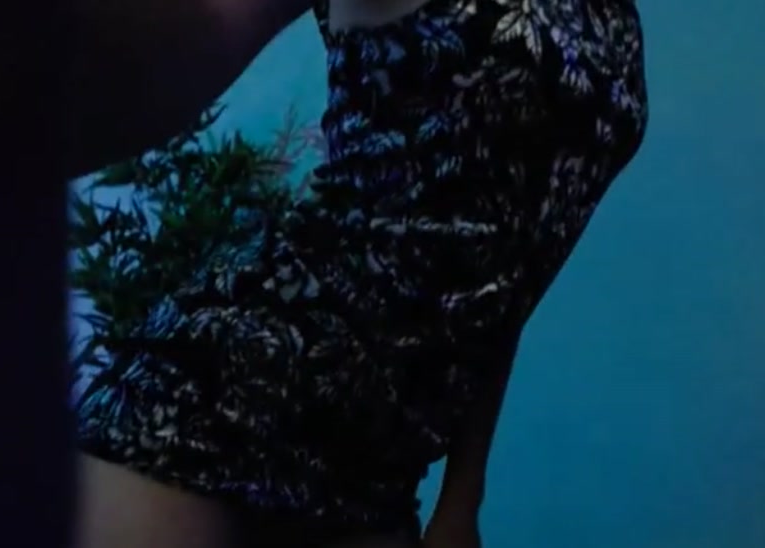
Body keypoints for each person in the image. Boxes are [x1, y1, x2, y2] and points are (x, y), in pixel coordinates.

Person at [71, 0, 649, 546]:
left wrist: (462, 497)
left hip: (384, 457)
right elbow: (162, 61)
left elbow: (504, 264)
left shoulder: (610, 15)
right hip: (238, 393)